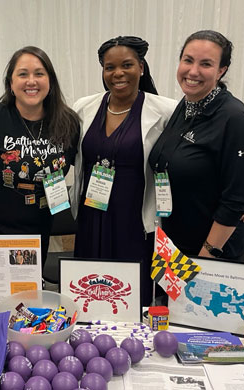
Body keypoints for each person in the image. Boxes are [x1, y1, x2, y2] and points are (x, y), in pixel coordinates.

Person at [71, 36, 176, 305]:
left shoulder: (165, 111)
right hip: (92, 214)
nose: (118, 73)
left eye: (127, 65)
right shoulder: (84, 107)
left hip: (134, 219)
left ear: (141, 67)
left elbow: (193, 154)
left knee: (131, 294)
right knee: (90, 289)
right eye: (109, 67)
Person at [148, 30, 244, 261]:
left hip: (209, 252)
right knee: (166, 298)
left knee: (190, 298)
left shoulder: (234, 118)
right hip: (173, 243)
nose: (193, 71)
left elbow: (237, 200)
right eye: (188, 60)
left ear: (221, 70)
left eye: (206, 64)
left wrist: (206, 255)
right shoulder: (187, 105)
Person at [0, 46, 80, 264]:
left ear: (50, 81)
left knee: (31, 296)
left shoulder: (68, 122)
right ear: (10, 83)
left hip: (39, 233)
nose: (31, 81)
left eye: (39, 73)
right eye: (22, 74)